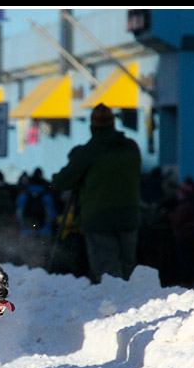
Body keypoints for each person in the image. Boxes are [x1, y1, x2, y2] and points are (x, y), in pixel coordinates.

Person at [52, 103, 142, 283]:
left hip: (99, 219)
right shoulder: (131, 147)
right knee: (127, 270)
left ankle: (118, 308)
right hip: (129, 216)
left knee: (108, 273)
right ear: (113, 123)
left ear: (92, 127)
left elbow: (61, 182)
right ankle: (132, 303)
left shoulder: (89, 152)